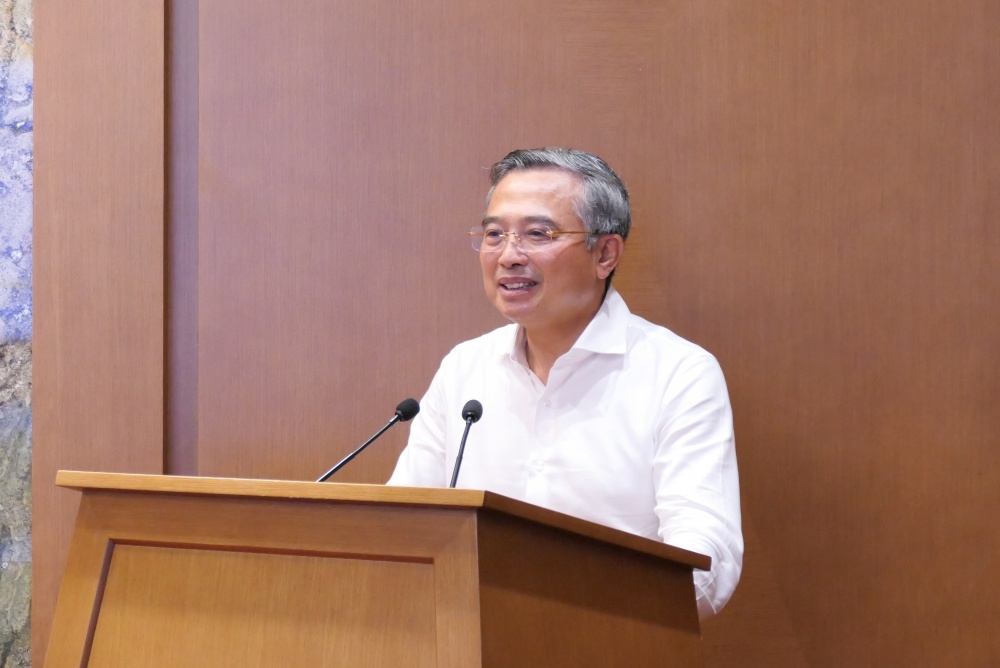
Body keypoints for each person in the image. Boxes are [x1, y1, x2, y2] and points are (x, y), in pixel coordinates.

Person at [388, 148, 742, 617]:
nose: (509, 256)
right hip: (466, 638)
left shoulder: (677, 373)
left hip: (612, 637)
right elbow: (404, 527)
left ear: (605, 253)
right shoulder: (465, 369)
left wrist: (574, 617)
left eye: (538, 234)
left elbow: (707, 560)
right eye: (494, 234)